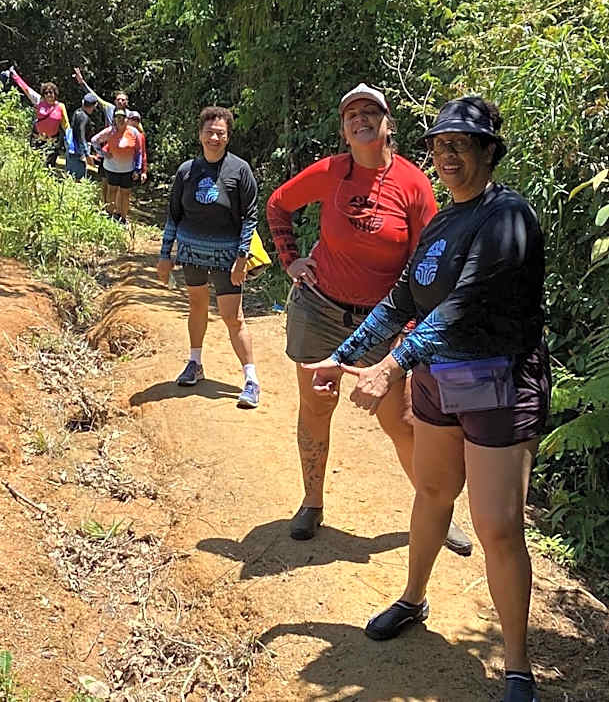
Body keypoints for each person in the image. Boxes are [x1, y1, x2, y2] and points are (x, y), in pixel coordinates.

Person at [306, 97, 549, 702]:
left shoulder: (507, 217)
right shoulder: (443, 222)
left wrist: (391, 365)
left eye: (461, 144)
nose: (447, 156)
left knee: (496, 526)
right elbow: (402, 301)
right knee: (433, 491)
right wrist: (343, 356)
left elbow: (464, 304)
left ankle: (517, 667)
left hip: (498, 382)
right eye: (440, 145)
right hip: (442, 380)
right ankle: (413, 599)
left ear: (488, 151)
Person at [266, 84, 471, 554]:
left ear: (387, 123)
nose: (360, 119)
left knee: (400, 419)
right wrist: (290, 260)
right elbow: (278, 204)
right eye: (351, 114)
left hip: (384, 321)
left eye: (370, 112)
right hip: (319, 308)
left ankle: (437, 510)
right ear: (344, 129)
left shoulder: (413, 184)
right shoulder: (331, 172)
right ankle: (312, 502)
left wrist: (411, 330)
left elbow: (429, 262)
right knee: (316, 406)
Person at [157, 106, 261, 410]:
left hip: (227, 258)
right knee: (197, 306)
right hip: (191, 254)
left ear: (228, 137)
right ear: (200, 134)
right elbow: (174, 215)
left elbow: (250, 216)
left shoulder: (239, 170)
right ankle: (195, 363)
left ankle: (251, 380)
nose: (214, 138)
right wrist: (165, 255)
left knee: (233, 317)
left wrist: (242, 257)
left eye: (220, 133)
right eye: (209, 132)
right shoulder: (186, 171)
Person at [73, 68, 135, 197]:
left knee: (120, 185)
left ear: (127, 102)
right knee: (105, 179)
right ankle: (104, 203)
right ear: (115, 101)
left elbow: (137, 134)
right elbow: (94, 96)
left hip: (123, 152)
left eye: (123, 100)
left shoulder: (130, 115)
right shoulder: (109, 108)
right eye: (118, 99)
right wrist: (82, 82)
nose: (120, 101)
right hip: (107, 150)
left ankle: (116, 205)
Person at [9, 67, 70, 168]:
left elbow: (66, 125)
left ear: (55, 93)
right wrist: (15, 76)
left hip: (52, 142)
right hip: (38, 139)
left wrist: (70, 139)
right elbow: (26, 89)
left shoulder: (60, 106)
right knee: (34, 164)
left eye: (51, 92)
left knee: (49, 166)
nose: (49, 95)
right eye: (46, 93)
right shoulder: (39, 102)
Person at [90, 109, 143, 223]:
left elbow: (139, 151)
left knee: (125, 194)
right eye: (118, 117)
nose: (120, 120)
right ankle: (109, 216)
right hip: (111, 168)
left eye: (123, 117)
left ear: (127, 119)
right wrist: (103, 153)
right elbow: (94, 140)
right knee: (112, 191)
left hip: (128, 169)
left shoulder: (134, 132)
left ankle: (123, 218)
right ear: (114, 119)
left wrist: (137, 169)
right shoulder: (110, 131)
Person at [66, 93, 99, 180]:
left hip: (72, 148)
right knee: (78, 178)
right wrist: (86, 154)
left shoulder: (77, 112)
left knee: (70, 176)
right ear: (93, 106)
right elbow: (81, 136)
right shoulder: (83, 117)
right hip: (78, 151)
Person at [127, 110, 149, 185]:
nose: (135, 122)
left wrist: (144, 171)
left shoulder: (140, 135)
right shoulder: (121, 132)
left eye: (137, 120)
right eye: (133, 119)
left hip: (134, 168)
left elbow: (143, 153)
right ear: (128, 120)